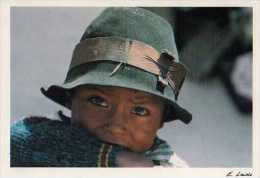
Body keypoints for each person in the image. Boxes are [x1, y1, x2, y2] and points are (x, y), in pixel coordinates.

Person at [11, 7, 192, 167]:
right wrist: (110, 157)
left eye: (139, 110)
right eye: (98, 101)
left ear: (162, 119)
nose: (115, 125)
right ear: (70, 99)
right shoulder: (40, 139)